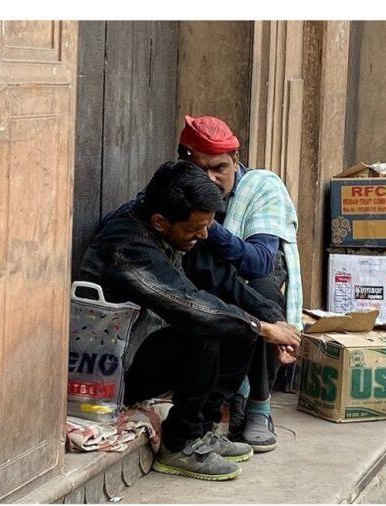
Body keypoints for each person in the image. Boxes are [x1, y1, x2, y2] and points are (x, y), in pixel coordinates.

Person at [78, 161, 301, 481]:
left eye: (208, 226)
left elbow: (225, 281)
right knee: (206, 327)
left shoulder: (180, 226)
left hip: (148, 346)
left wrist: (277, 324)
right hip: (115, 372)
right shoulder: (127, 244)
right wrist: (260, 328)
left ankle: (201, 430)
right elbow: (187, 305)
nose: (205, 234)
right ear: (159, 222)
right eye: (196, 228)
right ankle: (180, 443)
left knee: (243, 318)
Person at [177, 115, 303, 453]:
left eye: (219, 168)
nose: (211, 179)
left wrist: (205, 221)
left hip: (250, 283)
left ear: (235, 160)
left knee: (259, 293)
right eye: (200, 170)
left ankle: (258, 405)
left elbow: (260, 261)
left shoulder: (262, 187)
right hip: (202, 286)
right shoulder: (176, 189)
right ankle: (226, 398)